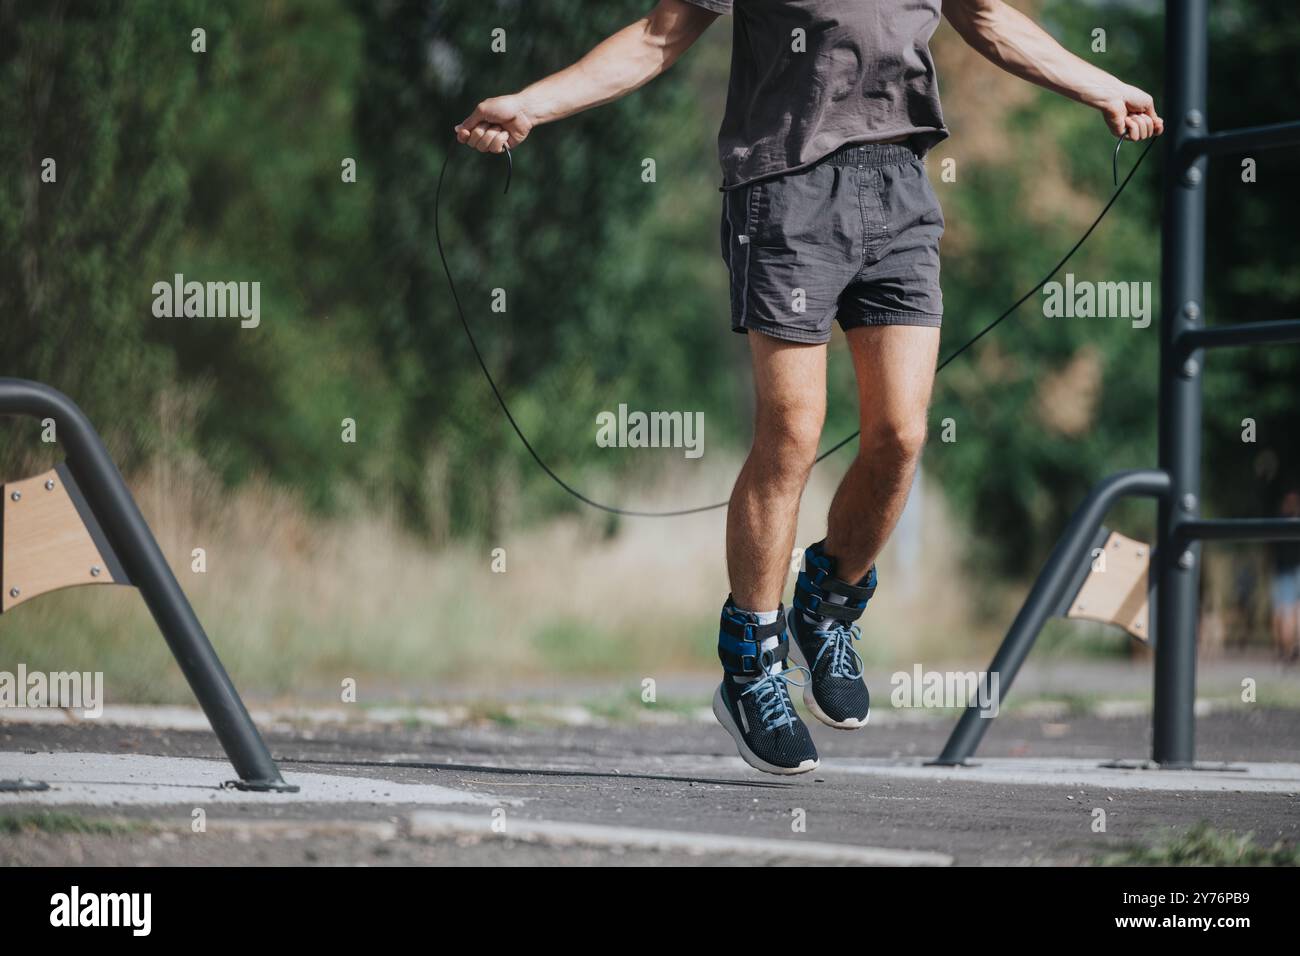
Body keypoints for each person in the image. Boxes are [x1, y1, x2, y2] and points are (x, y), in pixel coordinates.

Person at [456, 0, 1163, 774]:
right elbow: (662, 33)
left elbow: (989, 19)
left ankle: (829, 607)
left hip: (899, 185)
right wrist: (533, 102)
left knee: (900, 434)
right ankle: (753, 664)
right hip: (786, 186)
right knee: (793, 432)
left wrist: (1101, 85)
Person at [1271, 490, 1300, 663]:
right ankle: (1292, 648)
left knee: (1285, 612)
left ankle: (1285, 650)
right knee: (1293, 612)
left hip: (1284, 569)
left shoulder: (1278, 523)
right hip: (1291, 568)